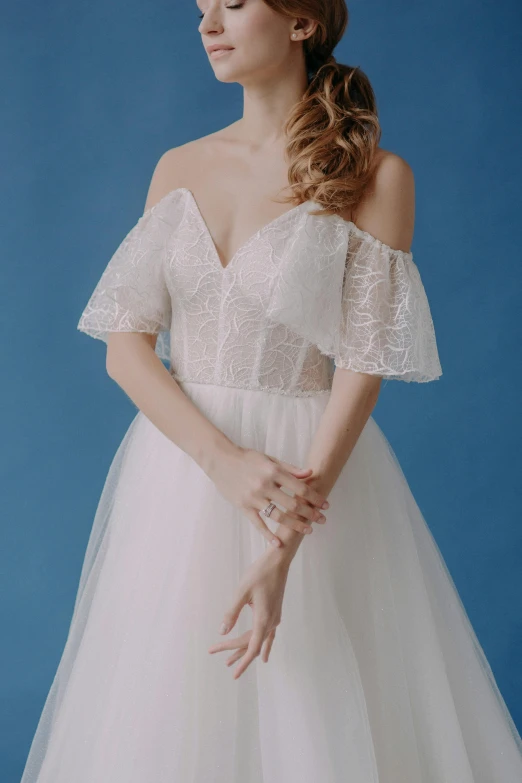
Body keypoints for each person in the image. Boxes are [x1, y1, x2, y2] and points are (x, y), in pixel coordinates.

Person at [20, 1, 522, 781]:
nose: (208, 23)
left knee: (312, 709)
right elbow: (126, 349)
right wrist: (221, 462)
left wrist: (283, 544)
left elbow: (362, 368)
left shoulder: (376, 176)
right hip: (181, 476)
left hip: (308, 482)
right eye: (200, 8)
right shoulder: (177, 167)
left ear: (301, 22)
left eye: (234, 2)